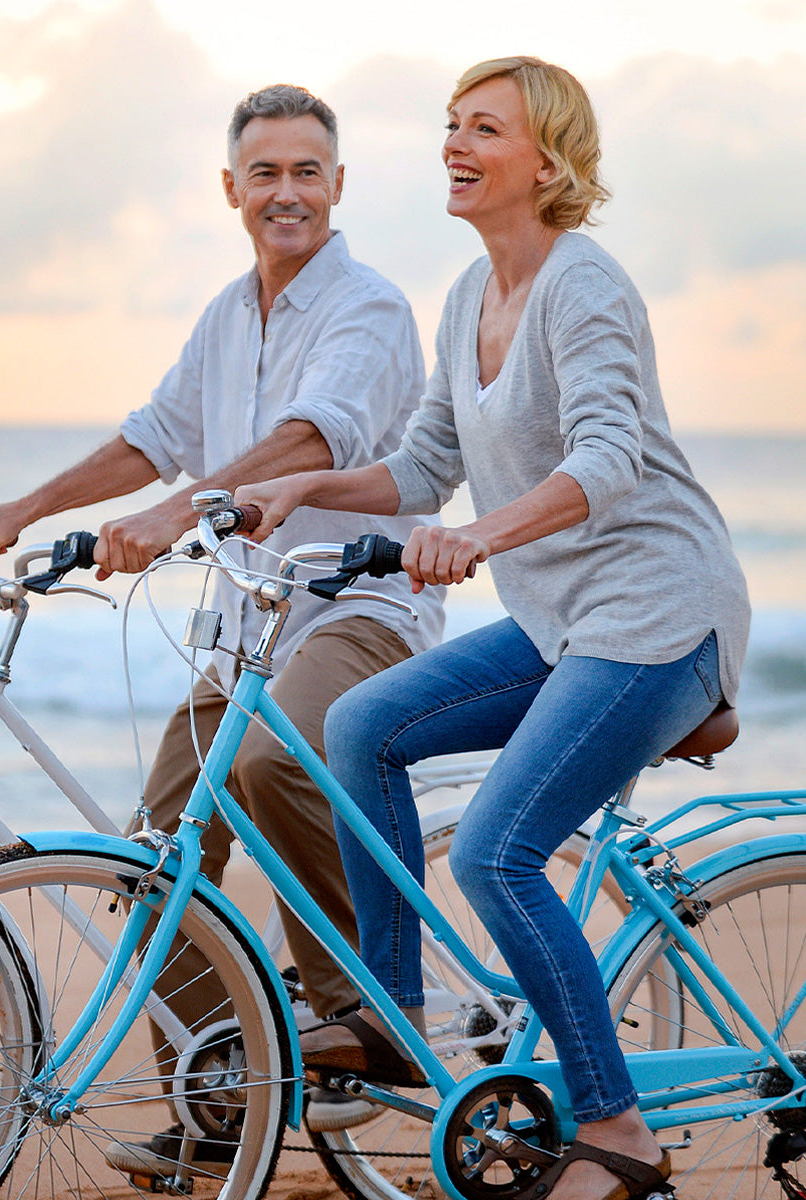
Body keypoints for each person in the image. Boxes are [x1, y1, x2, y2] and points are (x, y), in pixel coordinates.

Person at [236, 57, 750, 1200]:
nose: (455, 145)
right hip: (563, 619)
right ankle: (390, 1009)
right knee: (364, 723)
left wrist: (482, 536)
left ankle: (618, 1136)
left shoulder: (586, 286)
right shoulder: (470, 297)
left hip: (657, 614)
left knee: (495, 850)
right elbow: (422, 465)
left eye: (484, 129)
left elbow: (609, 460)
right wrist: (296, 492)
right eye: (451, 126)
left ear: (550, 163)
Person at [0, 83, 444, 1173]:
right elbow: (154, 436)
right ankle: (218, 1100)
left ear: (338, 186)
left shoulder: (366, 308)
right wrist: (22, 513)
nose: (288, 193)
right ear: (232, 189)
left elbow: (315, 431)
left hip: (354, 610)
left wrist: (185, 505)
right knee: (157, 850)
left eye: (307, 171)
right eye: (265, 173)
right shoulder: (228, 314)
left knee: (276, 766)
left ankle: (367, 1014)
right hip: (244, 628)